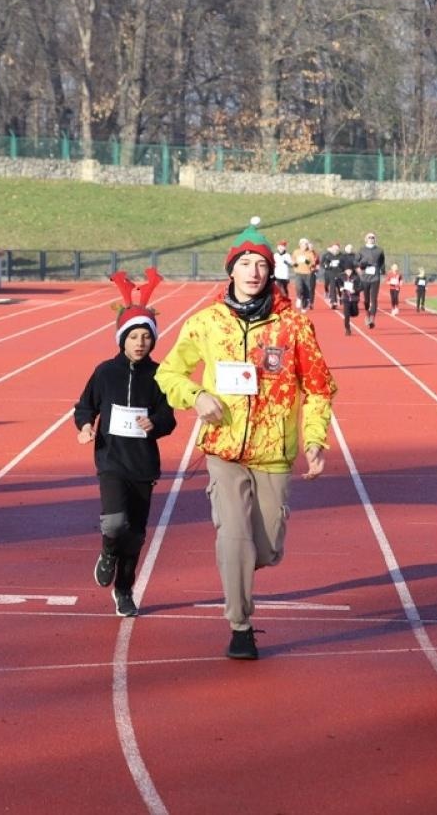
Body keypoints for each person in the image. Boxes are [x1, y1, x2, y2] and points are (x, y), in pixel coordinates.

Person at [156, 218, 337, 660]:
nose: (254, 272)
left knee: (268, 548)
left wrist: (315, 439)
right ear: (231, 270)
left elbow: (318, 386)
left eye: (262, 264)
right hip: (224, 449)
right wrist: (196, 396)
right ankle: (240, 624)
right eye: (246, 264)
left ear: (271, 271)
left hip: (274, 452)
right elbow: (169, 372)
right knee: (234, 536)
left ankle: (241, 563)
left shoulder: (293, 326)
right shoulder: (207, 323)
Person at [74, 270, 176, 618]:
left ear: (153, 340)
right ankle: (107, 551)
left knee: (135, 534)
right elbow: (85, 405)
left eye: (145, 336)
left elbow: (169, 417)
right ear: (122, 339)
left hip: (143, 464)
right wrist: (85, 426)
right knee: (115, 524)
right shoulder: (105, 372)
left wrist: (156, 423)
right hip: (111, 460)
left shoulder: (159, 375)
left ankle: (124, 588)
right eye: (132, 336)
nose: (139, 342)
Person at [358, 232, 386, 329]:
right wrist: (362, 265)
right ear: (366, 239)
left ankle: (372, 319)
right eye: (369, 237)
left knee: (374, 299)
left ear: (375, 239)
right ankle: (367, 315)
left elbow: (382, 262)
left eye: (373, 237)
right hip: (365, 278)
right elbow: (358, 262)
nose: (371, 238)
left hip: (375, 278)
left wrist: (383, 270)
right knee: (366, 300)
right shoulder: (362, 250)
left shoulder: (379, 250)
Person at [293, 239, 318, 310]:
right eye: (302, 244)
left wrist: (305, 261)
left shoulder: (309, 253)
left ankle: (304, 305)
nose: (304, 246)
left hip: (307, 273)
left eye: (305, 244)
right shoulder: (296, 252)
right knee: (299, 287)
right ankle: (298, 297)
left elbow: (312, 264)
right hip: (298, 272)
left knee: (306, 290)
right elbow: (293, 260)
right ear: (300, 245)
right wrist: (295, 265)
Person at [322, 242, 344, 310]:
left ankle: (340, 297)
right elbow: (324, 264)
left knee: (340, 287)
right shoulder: (328, 256)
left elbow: (345, 263)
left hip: (340, 274)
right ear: (332, 249)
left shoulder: (342, 256)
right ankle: (333, 301)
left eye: (337, 249)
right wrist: (329, 265)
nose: (335, 250)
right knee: (333, 287)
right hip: (331, 273)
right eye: (334, 249)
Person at [339, 268, 360, 336]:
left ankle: (352, 312)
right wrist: (341, 287)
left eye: (350, 270)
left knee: (355, 313)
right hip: (346, 298)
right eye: (347, 270)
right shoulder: (342, 277)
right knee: (346, 315)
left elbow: (361, 287)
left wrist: (355, 290)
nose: (348, 272)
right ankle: (347, 329)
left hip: (354, 298)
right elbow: (338, 282)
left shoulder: (356, 277)